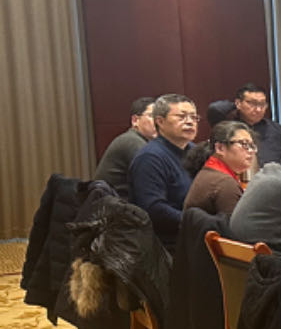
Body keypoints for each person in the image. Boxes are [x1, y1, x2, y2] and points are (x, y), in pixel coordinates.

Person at [128, 95, 198, 241]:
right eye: (182, 117)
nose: (190, 122)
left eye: (194, 117)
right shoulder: (149, 158)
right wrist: (198, 222)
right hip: (168, 241)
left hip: (194, 231)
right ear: (160, 121)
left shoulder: (195, 151)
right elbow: (154, 209)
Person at [183, 120, 256, 217]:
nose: (251, 151)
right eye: (244, 144)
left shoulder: (212, 173)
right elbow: (237, 226)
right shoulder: (224, 183)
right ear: (220, 148)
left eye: (251, 145)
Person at [206, 84, 281, 167]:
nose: (258, 109)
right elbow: (215, 108)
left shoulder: (276, 129)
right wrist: (236, 106)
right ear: (238, 103)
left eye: (262, 104)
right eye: (253, 103)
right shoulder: (229, 127)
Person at [92, 96, 156, 197]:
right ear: (135, 120)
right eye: (152, 116)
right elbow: (154, 179)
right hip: (112, 204)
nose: (158, 122)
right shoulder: (131, 141)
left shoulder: (146, 142)